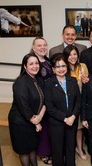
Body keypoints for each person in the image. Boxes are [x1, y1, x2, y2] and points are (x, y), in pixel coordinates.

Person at [8, 53, 46, 166]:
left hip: (33, 121)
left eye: (36, 63)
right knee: (24, 151)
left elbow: (45, 101)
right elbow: (23, 104)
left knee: (32, 148)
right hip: (20, 123)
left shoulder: (39, 79)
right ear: (25, 66)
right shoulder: (21, 81)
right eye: (31, 64)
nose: (35, 66)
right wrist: (35, 121)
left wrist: (39, 117)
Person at [44, 53, 81, 166]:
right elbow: (50, 107)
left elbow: (78, 101)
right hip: (57, 123)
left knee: (70, 149)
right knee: (57, 151)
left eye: (63, 66)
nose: (61, 69)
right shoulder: (49, 84)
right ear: (53, 69)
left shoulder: (73, 81)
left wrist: (73, 116)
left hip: (72, 121)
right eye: (58, 66)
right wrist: (65, 119)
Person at [63, 45, 89, 160]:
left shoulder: (83, 66)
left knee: (79, 128)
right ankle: (69, 149)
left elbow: (88, 83)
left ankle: (79, 148)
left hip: (81, 102)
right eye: (69, 55)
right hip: (67, 104)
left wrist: (86, 80)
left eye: (74, 54)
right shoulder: (63, 69)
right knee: (68, 128)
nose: (72, 57)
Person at [31, 37, 53, 165]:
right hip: (39, 101)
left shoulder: (48, 61)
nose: (43, 47)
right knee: (42, 129)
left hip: (50, 99)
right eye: (39, 45)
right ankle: (43, 153)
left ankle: (49, 151)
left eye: (45, 45)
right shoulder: (33, 62)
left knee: (48, 128)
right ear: (34, 48)